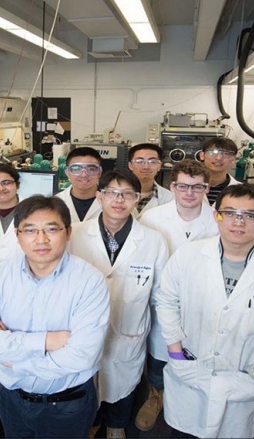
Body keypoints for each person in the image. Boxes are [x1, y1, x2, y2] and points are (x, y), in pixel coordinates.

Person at [155, 184, 254, 438]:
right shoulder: (188, 256)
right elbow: (167, 300)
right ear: (217, 216)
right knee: (183, 433)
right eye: (231, 213)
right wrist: (175, 351)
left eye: (250, 215)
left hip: (244, 380)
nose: (239, 222)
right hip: (191, 370)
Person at [0, 196, 110, 439]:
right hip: (12, 397)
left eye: (51, 229)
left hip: (67, 402)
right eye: (30, 230)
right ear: (17, 235)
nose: (41, 239)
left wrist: (11, 354)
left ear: (68, 232)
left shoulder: (90, 281)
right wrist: (46, 341)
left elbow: (82, 356)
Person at [68, 171, 168, 439]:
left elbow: (160, 293)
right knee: (87, 380)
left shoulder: (153, 240)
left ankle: (116, 424)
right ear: (99, 196)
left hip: (129, 326)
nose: (119, 200)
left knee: (124, 380)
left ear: (137, 199)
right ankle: (91, 421)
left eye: (128, 194)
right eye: (112, 192)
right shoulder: (75, 234)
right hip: (83, 326)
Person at [135, 159, 219, 431]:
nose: (190, 193)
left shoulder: (219, 220)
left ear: (207, 188)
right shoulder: (152, 218)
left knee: (200, 356)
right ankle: (156, 395)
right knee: (161, 354)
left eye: (197, 187)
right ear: (172, 186)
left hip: (206, 302)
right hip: (162, 301)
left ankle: (192, 400)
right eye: (183, 186)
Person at [55, 146, 103, 224]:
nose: (84, 175)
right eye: (76, 168)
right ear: (67, 173)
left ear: (99, 173)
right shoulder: (56, 202)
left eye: (91, 169)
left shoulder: (112, 201)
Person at [126, 143, 172, 215]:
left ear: (159, 166)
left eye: (152, 162)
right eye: (139, 161)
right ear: (130, 165)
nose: (146, 167)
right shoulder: (116, 194)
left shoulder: (170, 199)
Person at [198, 137, 241, 206]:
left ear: (233, 159)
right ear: (202, 155)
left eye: (226, 153)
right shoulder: (186, 186)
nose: (219, 158)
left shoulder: (241, 191)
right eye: (213, 152)